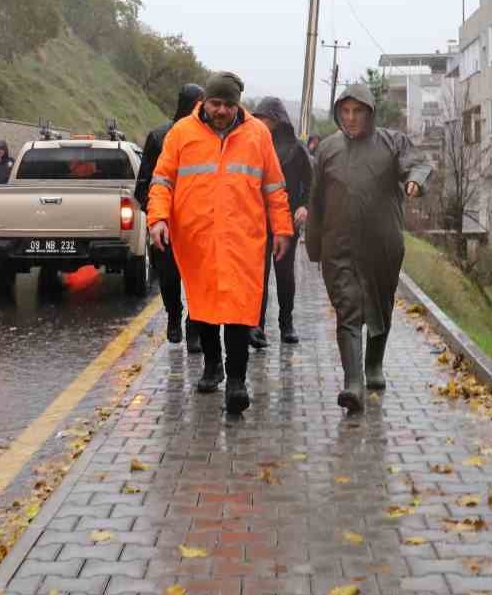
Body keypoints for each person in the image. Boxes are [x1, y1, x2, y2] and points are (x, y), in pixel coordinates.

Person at [147, 71, 294, 415]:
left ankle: (238, 382)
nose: (223, 111)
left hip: (244, 238)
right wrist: (157, 219)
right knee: (205, 306)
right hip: (195, 238)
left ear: (238, 104)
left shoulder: (257, 134)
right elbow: (162, 180)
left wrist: (282, 229)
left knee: (241, 309)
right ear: (204, 102)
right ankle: (213, 366)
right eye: (216, 103)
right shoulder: (182, 133)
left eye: (229, 104)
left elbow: (274, 186)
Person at [306, 82, 431, 412]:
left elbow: (417, 162)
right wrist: (314, 245)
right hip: (339, 247)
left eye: (358, 111)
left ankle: (374, 363)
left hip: (383, 246)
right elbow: (316, 201)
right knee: (348, 310)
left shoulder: (392, 142)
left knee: (380, 306)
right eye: (345, 112)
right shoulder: (327, 150)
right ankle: (353, 385)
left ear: (370, 113)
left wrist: (415, 181)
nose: (351, 118)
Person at [135, 83, 204, 347]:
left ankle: (195, 327)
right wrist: (155, 217)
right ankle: (174, 316)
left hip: (196, 223)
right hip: (166, 223)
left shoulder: (206, 138)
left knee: (197, 279)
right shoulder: (159, 137)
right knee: (169, 277)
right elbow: (144, 183)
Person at [249, 97, 313, 346]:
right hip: (256, 220)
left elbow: (311, 181)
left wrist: (304, 206)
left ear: (275, 121)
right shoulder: (252, 145)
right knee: (258, 275)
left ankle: (286, 324)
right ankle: (257, 326)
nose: (258, 122)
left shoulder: (297, 150)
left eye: (262, 118)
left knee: (285, 274)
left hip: (286, 222)